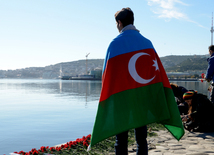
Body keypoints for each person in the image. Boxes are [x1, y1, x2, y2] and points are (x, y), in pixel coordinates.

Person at [114, 7, 148, 155]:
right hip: (142, 97)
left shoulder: (115, 43)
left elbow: (109, 75)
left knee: (120, 140)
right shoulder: (147, 43)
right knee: (141, 139)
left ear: (119, 23)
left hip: (122, 98)